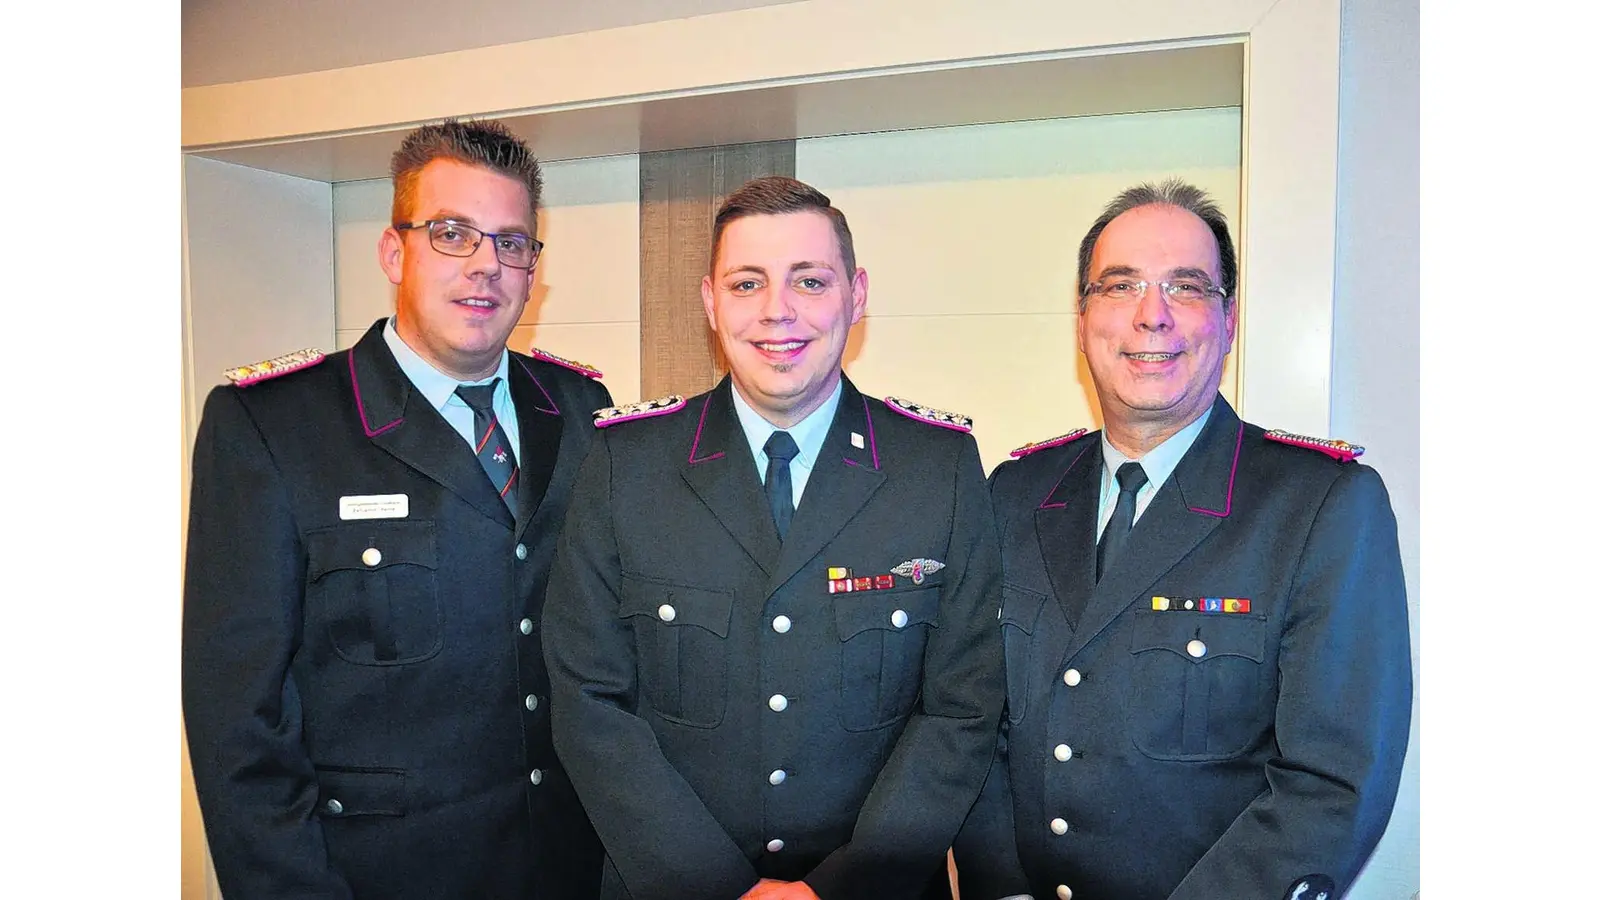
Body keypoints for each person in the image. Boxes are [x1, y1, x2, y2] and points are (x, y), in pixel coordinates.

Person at [182, 118, 612, 899]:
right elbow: (238, 721)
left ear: (532, 270)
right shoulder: (274, 426)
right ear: (393, 252)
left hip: (567, 870)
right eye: (452, 234)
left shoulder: (582, 408)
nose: (485, 265)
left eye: (511, 242)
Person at [542, 175, 1004, 900]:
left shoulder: (937, 469)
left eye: (809, 281)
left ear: (856, 295)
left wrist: (840, 889)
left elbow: (962, 709)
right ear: (710, 302)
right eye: (747, 283)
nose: (776, 310)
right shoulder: (625, 465)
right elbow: (589, 702)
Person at [952, 179, 1412, 900]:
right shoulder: (1016, 493)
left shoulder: (1321, 504)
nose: (1151, 314)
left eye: (1186, 287)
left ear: (1229, 321)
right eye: (1120, 286)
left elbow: (1330, 782)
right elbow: (974, 724)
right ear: (1083, 321)